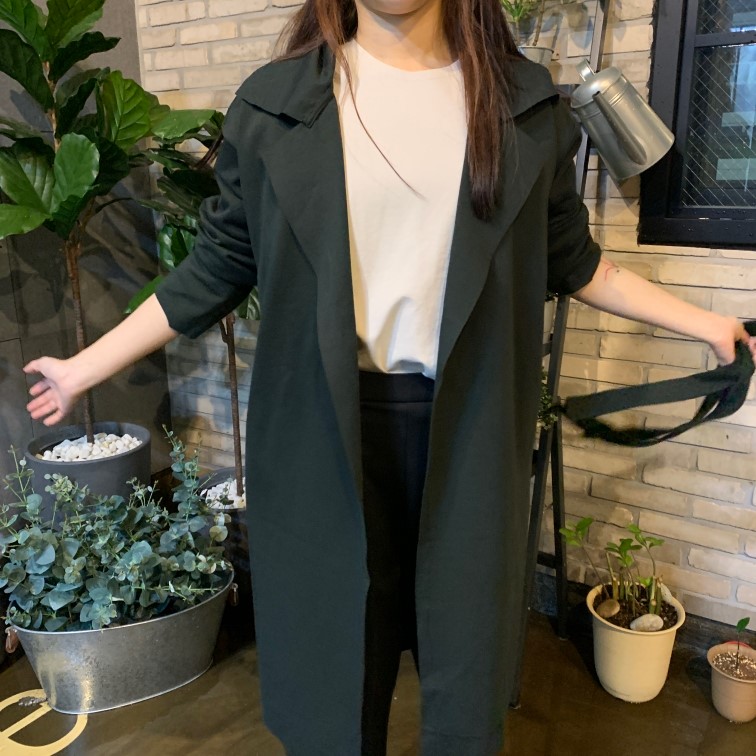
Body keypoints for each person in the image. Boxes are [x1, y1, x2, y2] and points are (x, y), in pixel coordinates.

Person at [23, 0, 756, 754]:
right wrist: (82, 368)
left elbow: (576, 261)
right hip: (324, 437)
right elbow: (214, 267)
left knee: (464, 666)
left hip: (469, 431)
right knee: (333, 678)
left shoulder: (521, 105)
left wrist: (704, 323)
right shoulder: (278, 107)